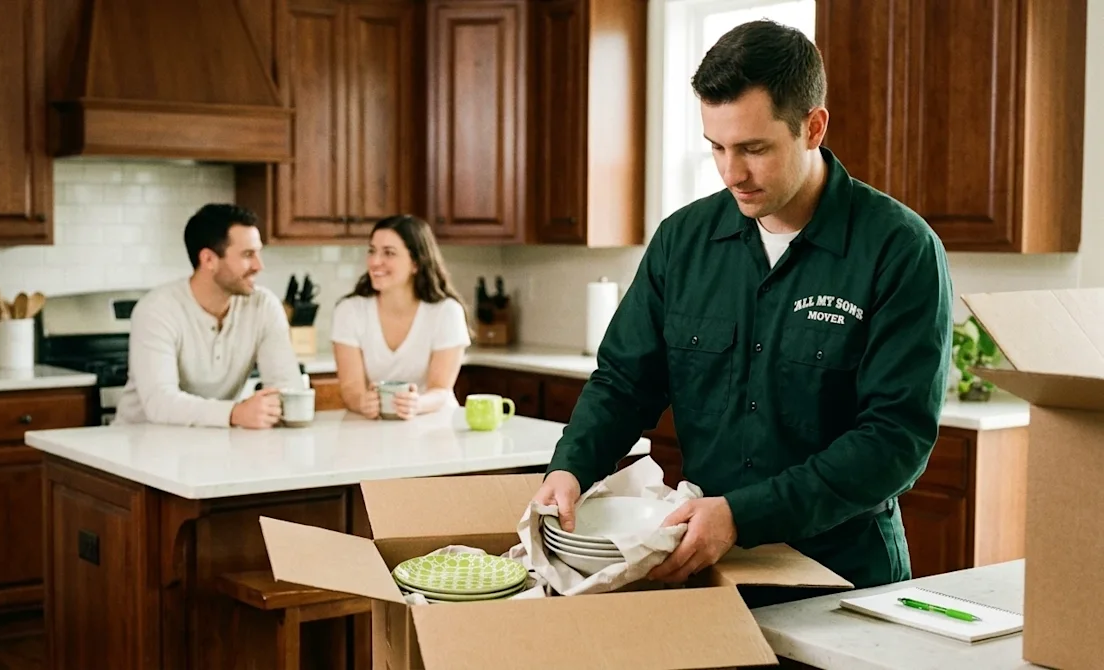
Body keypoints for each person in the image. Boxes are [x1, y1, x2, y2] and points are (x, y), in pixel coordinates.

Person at [533, 20, 953, 601]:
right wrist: (571, 468)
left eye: (754, 149)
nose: (732, 172)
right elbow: (625, 381)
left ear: (813, 127)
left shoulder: (899, 250)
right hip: (704, 572)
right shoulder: (683, 241)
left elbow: (894, 441)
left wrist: (743, 515)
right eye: (717, 148)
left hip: (841, 581)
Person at [114, 203, 305, 429]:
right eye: (247, 255)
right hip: (140, 445)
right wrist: (235, 413)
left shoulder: (263, 306)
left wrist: (271, 407)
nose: (259, 266)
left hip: (214, 442)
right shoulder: (157, 309)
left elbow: (287, 387)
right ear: (208, 260)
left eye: (258, 253)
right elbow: (160, 403)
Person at [331, 215, 472, 420]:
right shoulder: (349, 311)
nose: (375, 261)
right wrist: (362, 402)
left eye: (389, 253)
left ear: (416, 263)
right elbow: (351, 389)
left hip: (436, 430)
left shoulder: (447, 312)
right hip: (375, 431)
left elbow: (440, 390)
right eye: (372, 251)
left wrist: (417, 404)